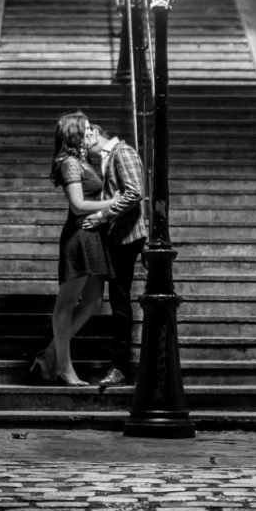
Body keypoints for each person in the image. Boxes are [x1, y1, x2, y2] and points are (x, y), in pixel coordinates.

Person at [32, 112, 120, 386]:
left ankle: (48, 355)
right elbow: (77, 205)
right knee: (67, 303)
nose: (91, 130)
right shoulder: (70, 162)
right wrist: (112, 203)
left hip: (93, 235)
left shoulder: (82, 160)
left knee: (93, 302)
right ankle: (63, 368)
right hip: (79, 236)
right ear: (74, 133)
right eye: (86, 127)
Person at [81, 124, 146, 388]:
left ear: (95, 133)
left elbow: (134, 192)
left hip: (126, 237)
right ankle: (119, 364)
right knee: (117, 300)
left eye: (85, 135)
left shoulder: (123, 152)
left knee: (120, 301)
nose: (82, 142)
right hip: (117, 237)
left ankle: (120, 366)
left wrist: (102, 215)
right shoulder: (108, 157)